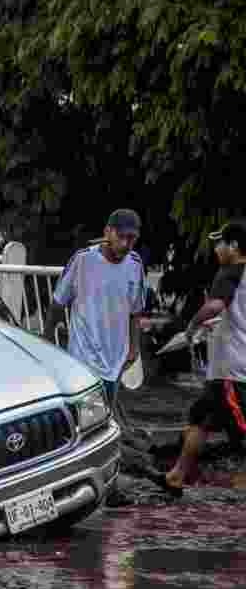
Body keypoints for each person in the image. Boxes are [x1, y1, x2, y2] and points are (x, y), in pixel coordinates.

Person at [162, 220, 246, 495]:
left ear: (234, 246)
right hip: (226, 369)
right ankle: (177, 474)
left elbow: (215, 305)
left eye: (220, 243)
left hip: (232, 370)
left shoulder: (230, 272)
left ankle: (182, 474)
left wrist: (191, 327)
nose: (216, 248)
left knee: (232, 426)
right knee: (200, 419)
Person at [46, 209, 148, 407]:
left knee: (105, 412)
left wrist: (134, 348)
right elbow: (58, 303)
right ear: (108, 232)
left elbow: (136, 312)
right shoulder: (83, 259)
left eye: (132, 238)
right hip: (83, 356)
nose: (126, 244)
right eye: (122, 237)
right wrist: (48, 340)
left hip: (115, 357)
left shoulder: (135, 264)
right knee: (85, 414)